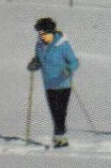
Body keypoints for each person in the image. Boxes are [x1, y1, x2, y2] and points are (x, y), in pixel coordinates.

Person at [27, 17, 79, 149]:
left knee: (60, 112)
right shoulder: (39, 46)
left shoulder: (62, 45)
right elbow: (38, 60)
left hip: (63, 83)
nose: (41, 36)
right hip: (49, 84)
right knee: (54, 112)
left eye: (43, 33)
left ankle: (61, 138)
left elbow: (74, 62)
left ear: (51, 32)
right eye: (39, 33)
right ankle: (59, 137)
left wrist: (68, 69)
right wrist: (34, 64)